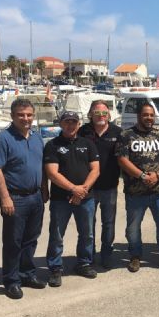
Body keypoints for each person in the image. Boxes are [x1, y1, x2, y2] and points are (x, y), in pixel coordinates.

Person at [0, 98, 48, 300]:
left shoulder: (36, 137)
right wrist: (5, 197)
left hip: (36, 197)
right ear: (13, 116)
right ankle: (11, 280)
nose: (26, 118)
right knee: (13, 241)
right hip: (15, 198)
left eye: (29, 115)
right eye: (21, 115)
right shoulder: (2, 139)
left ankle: (27, 274)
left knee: (31, 240)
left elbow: (41, 166)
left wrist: (44, 189)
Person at [44, 111, 100, 287]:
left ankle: (84, 263)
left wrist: (81, 190)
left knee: (87, 234)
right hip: (61, 199)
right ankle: (55, 268)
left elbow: (95, 170)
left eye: (74, 122)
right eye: (67, 122)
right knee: (57, 235)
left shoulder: (88, 144)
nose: (70, 125)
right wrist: (73, 189)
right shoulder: (52, 145)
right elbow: (52, 173)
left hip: (86, 197)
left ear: (79, 124)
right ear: (61, 124)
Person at [118, 102, 159, 274]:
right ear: (138, 116)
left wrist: (157, 175)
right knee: (133, 227)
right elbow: (122, 159)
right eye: (145, 115)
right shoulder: (126, 135)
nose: (149, 118)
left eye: (151, 115)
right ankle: (135, 256)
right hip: (135, 192)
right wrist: (142, 176)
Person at [78, 100, 123, 269]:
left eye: (104, 113)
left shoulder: (118, 132)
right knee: (87, 225)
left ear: (109, 115)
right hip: (87, 188)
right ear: (90, 114)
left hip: (109, 187)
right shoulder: (82, 132)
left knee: (108, 224)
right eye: (97, 113)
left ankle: (106, 254)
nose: (101, 116)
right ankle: (88, 257)